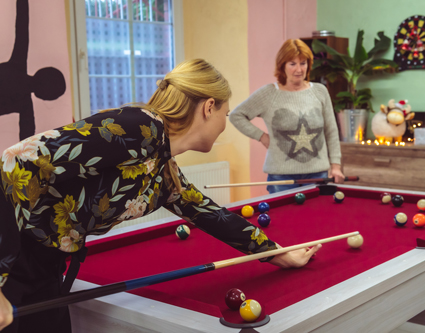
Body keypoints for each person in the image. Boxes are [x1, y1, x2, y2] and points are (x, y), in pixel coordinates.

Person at [0, 59, 321, 332]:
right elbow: (16, 161)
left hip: (46, 266)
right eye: (225, 113)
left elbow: (209, 213)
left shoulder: (162, 171)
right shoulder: (141, 127)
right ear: (209, 107)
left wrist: (278, 253)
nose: (225, 123)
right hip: (14, 258)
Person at [229, 39, 344, 193]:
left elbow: (331, 130)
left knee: (317, 217)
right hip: (281, 177)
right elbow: (236, 115)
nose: (299, 69)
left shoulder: (320, 91)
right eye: (292, 64)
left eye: (303, 63)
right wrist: (261, 136)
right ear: (282, 65)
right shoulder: (269, 93)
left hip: (318, 174)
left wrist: (336, 166)